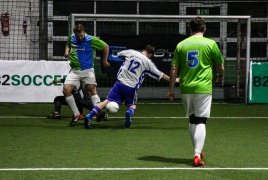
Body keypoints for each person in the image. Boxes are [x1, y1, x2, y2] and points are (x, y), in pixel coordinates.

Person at [167, 17, 224, 167]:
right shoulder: (211, 44)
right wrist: (221, 75)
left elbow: (174, 69)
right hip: (203, 88)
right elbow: (220, 65)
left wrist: (171, 90)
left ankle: (197, 150)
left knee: (192, 120)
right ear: (204, 29)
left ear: (190, 29)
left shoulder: (181, 45)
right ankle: (197, 155)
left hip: (186, 88)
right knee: (201, 121)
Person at [84, 45, 179, 129]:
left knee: (105, 102)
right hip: (131, 87)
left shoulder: (131, 52)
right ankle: (129, 112)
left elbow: (119, 54)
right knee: (132, 105)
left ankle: (89, 116)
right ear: (151, 55)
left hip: (119, 83)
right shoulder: (148, 62)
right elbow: (161, 75)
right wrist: (174, 79)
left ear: (143, 50)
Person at [63, 24, 110, 125]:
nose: (80, 37)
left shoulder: (91, 39)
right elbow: (68, 44)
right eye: (78, 35)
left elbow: (106, 46)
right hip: (74, 71)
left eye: (81, 35)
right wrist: (67, 51)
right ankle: (76, 114)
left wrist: (104, 60)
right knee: (66, 90)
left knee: (91, 90)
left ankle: (98, 112)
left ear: (84, 32)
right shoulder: (72, 37)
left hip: (88, 71)